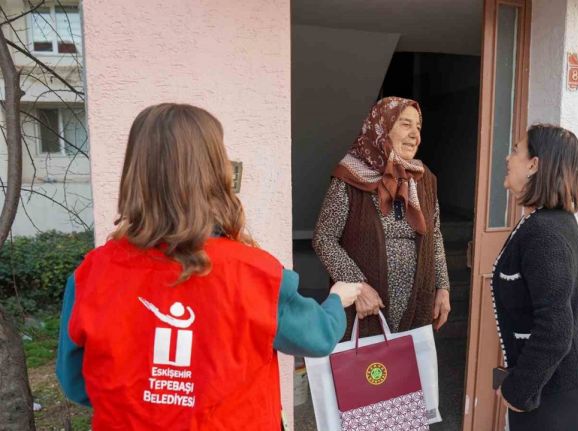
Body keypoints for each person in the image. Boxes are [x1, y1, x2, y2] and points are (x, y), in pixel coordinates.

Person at [55, 103, 361, 430]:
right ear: (216, 173)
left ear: (135, 175)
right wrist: (336, 300)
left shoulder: (92, 273)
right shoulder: (256, 273)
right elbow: (318, 337)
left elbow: (76, 382)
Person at [493, 124, 578, 430]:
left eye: (516, 150)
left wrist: (519, 390)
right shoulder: (550, 220)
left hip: (559, 387)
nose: (508, 158)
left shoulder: (545, 233)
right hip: (564, 376)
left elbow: (556, 328)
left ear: (534, 164)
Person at [313, 96, 451, 337]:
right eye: (406, 124)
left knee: (406, 369)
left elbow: (435, 235)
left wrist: (443, 287)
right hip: (365, 308)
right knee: (366, 372)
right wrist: (358, 288)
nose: (415, 134)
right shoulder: (350, 176)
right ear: (382, 127)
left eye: (418, 127)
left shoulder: (423, 178)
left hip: (417, 303)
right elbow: (324, 238)